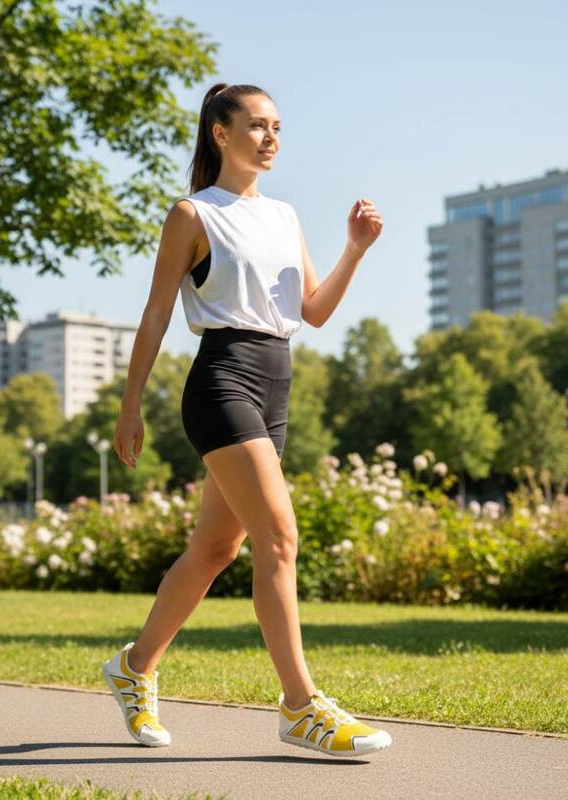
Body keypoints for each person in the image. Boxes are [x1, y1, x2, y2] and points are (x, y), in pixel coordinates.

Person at [102, 82, 391, 757]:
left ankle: (133, 667)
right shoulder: (192, 215)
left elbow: (313, 312)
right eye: (256, 126)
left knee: (214, 550)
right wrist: (130, 401)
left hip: (275, 381)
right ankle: (301, 707)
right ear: (220, 134)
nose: (270, 139)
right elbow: (155, 312)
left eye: (277, 128)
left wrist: (355, 249)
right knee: (280, 538)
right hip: (222, 379)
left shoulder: (285, 216)